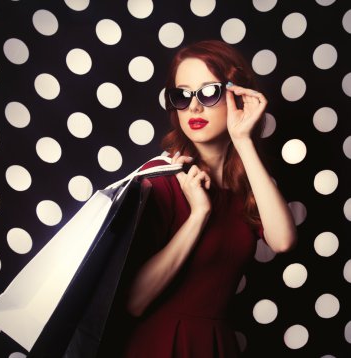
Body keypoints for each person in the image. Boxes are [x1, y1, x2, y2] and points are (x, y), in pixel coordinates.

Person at [98, 39, 297, 358]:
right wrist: (198, 215)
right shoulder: (160, 177)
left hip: (216, 345)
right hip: (158, 347)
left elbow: (283, 240)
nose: (193, 107)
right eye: (182, 95)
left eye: (209, 92)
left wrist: (243, 140)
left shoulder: (246, 184)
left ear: (237, 96)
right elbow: (134, 301)